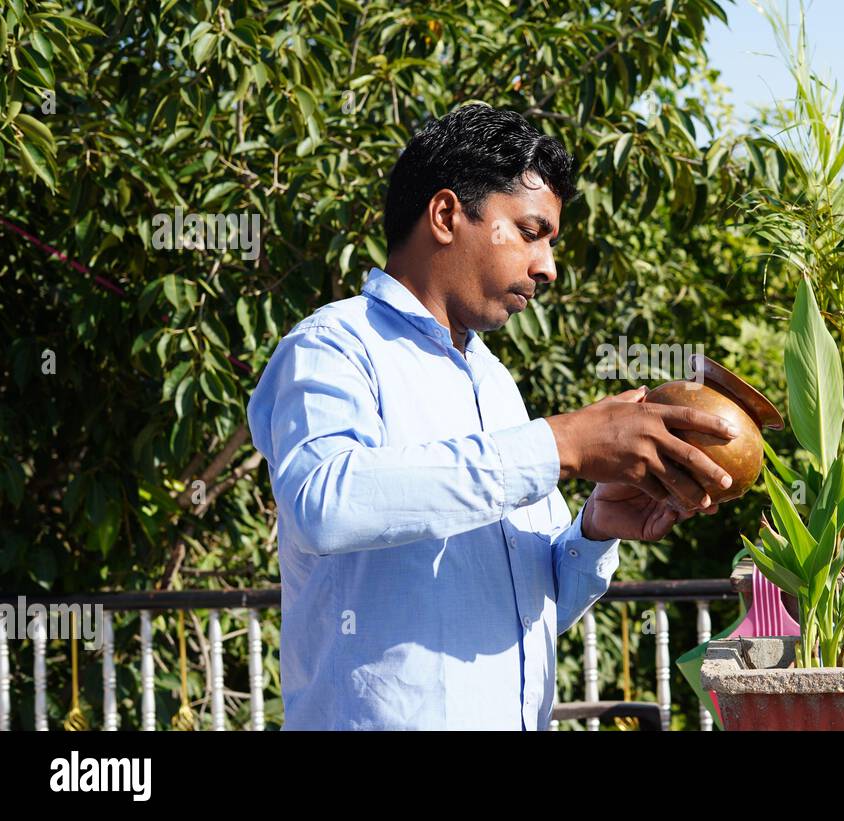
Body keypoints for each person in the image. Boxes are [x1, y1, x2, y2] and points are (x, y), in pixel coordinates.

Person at [246, 104, 736, 730]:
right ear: (446, 215)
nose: (547, 266)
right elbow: (324, 502)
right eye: (532, 232)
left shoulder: (494, 382)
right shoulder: (335, 346)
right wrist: (561, 444)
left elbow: (528, 614)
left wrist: (593, 531)